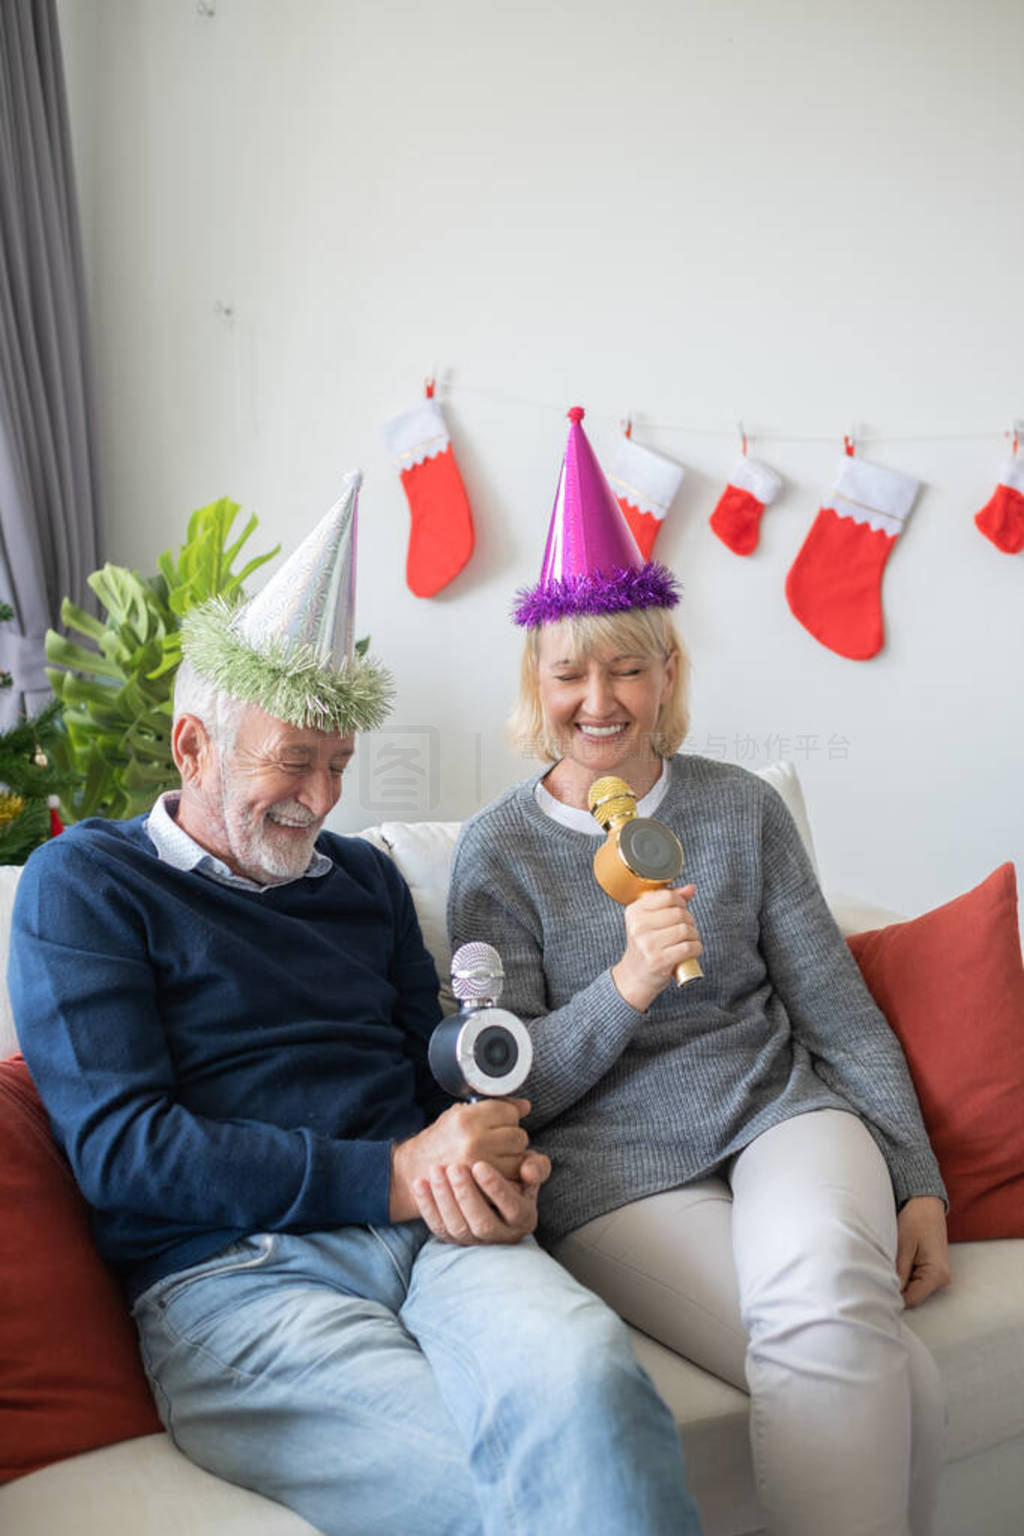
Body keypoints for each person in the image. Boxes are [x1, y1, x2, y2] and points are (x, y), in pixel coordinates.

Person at [9, 475, 701, 1536]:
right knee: (503, 1499)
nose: (323, 801)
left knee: (594, 1390)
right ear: (194, 747)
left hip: (437, 1235)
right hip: (237, 1279)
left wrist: (480, 1144)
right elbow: (125, 1149)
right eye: (294, 761)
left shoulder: (361, 880)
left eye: (337, 765)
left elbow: (420, 1052)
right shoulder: (87, 886)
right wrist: (393, 1173)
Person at [446, 411, 951, 1536]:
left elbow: (838, 1011)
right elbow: (513, 1091)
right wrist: (624, 982)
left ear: (666, 673)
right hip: (615, 1171)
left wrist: (916, 1178)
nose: (600, 702)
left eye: (628, 669)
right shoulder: (499, 852)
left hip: (779, 1115)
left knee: (824, 1301)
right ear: (537, 680)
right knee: (898, 1377)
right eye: (571, 673)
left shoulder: (737, 808)